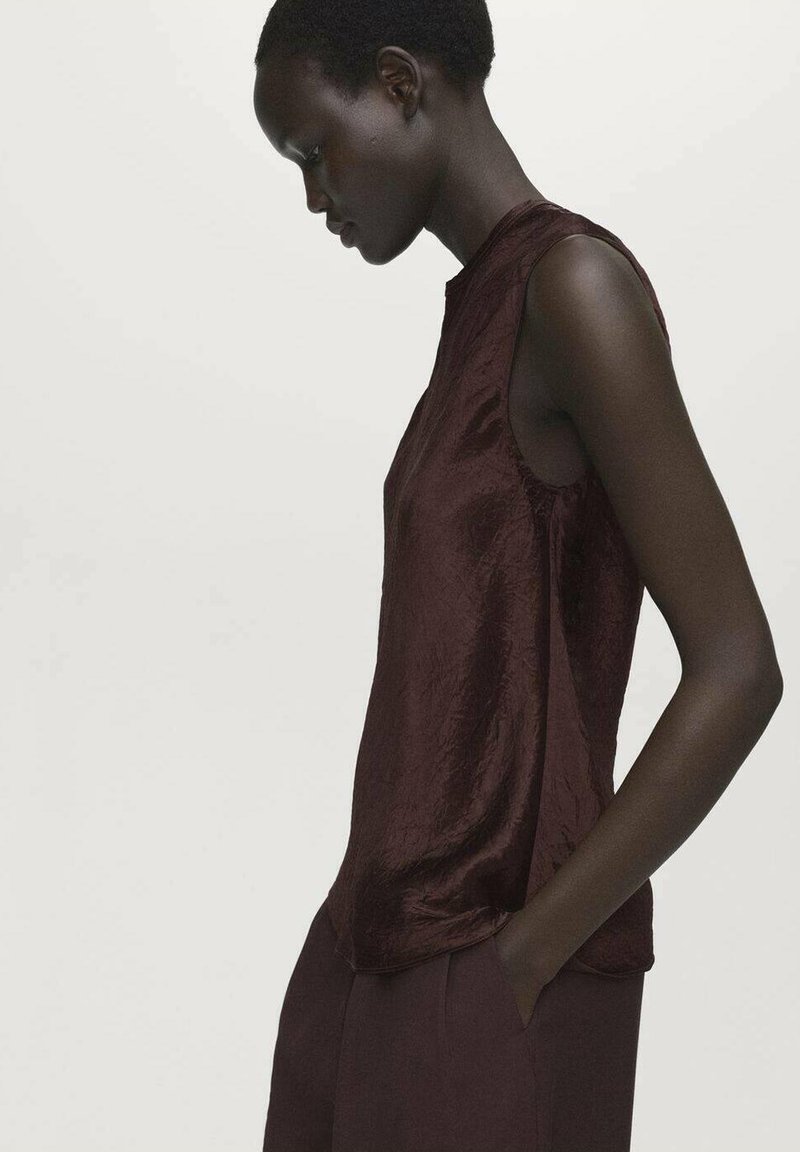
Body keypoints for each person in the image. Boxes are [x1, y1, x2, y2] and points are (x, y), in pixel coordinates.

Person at [252, 3, 784, 1149]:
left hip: (485, 978)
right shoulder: (481, 312)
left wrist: (525, 958)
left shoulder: (573, 288)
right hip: (366, 958)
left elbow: (737, 667)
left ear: (398, 83)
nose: (312, 196)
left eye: (312, 150)